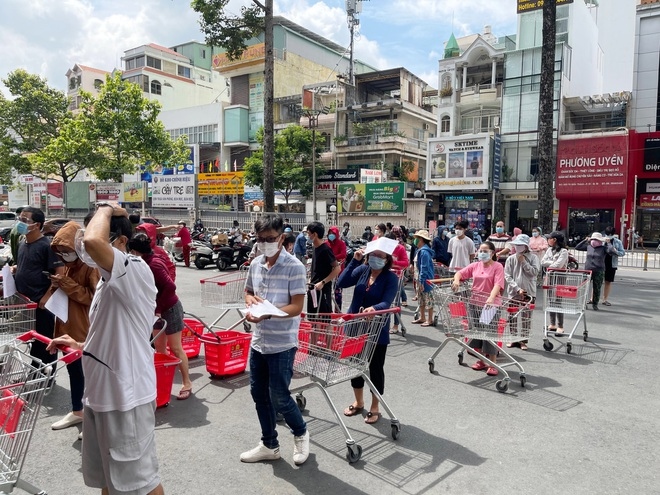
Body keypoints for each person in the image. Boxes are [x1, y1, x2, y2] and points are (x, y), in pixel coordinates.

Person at [47, 201, 164, 495]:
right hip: (100, 395)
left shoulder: (134, 269)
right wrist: (80, 343)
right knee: (108, 479)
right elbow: (114, 333)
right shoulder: (106, 280)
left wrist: (107, 208)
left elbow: (92, 242)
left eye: (96, 229)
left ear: (121, 241)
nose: (84, 245)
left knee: (141, 481)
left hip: (126, 398)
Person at [241, 215, 309, 465]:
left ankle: (301, 433)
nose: (265, 244)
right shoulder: (256, 263)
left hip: (282, 343)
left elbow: (297, 307)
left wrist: (269, 311)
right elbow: (248, 291)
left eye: (270, 239)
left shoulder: (294, 267)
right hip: (259, 341)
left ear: (282, 237)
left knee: (279, 396)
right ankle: (269, 443)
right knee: (258, 394)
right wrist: (250, 302)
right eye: (261, 239)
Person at [337, 239, 398, 424]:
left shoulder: (391, 278)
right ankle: (358, 401)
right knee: (355, 365)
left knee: (375, 368)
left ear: (387, 259)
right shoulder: (363, 270)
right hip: (355, 325)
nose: (376, 258)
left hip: (376, 329)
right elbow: (342, 281)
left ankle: (375, 406)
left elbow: (387, 302)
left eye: (380, 256)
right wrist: (354, 261)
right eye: (373, 255)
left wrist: (374, 308)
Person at [48, 221, 100, 433]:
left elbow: (95, 299)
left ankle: (91, 419)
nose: (63, 255)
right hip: (66, 325)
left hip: (83, 329)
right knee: (73, 372)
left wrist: (68, 286)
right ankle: (78, 411)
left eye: (67, 250)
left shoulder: (91, 266)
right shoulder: (69, 266)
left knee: (86, 374)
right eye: (60, 251)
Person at [129, 232, 193, 401]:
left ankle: (187, 382)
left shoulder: (154, 264)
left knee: (176, 348)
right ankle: (162, 382)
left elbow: (170, 287)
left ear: (136, 251)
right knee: (159, 348)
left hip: (169, 308)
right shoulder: (142, 262)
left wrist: (158, 309)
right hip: (156, 311)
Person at [13, 206, 64, 371]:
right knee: (33, 341)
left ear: (37, 224)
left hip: (42, 302)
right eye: (19, 219)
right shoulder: (23, 242)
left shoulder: (46, 246)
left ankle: (46, 377)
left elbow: (60, 272)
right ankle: (34, 374)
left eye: (25, 220)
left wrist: (47, 296)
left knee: (45, 341)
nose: (20, 223)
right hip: (26, 302)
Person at [451, 241, 505, 376]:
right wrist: (456, 281)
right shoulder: (475, 266)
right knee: (476, 331)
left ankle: (492, 362)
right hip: (475, 302)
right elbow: (460, 274)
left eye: (485, 251)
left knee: (488, 332)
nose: (482, 253)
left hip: (490, 305)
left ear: (492, 253)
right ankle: (481, 360)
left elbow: (498, 284)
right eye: (480, 250)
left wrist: (492, 297)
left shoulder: (497, 266)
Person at [503, 234, 539, 350]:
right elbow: (507, 276)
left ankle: (523, 340)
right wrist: (516, 288)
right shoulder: (510, 258)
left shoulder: (533, 258)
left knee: (526, 317)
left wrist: (524, 262)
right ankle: (513, 338)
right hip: (514, 292)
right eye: (516, 245)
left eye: (520, 245)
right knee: (512, 315)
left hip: (529, 292)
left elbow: (534, 272)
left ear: (526, 246)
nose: (518, 247)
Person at [306, 221, 340, 314]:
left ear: (315, 234)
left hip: (323, 290)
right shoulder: (315, 248)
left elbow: (337, 268)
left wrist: (323, 282)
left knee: (324, 320)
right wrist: (310, 279)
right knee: (313, 317)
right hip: (313, 289)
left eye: (308, 234)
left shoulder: (325, 249)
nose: (307, 236)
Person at [575, 232, 612, 311]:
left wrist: (608, 243)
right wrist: (585, 240)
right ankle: (584, 303)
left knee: (597, 288)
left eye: (596, 239)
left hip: (599, 270)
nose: (594, 241)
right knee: (585, 287)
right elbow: (577, 247)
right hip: (588, 270)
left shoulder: (603, 248)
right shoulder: (589, 247)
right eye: (593, 239)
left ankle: (595, 304)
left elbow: (611, 251)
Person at [541, 231, 569, 334]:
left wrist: (551, 264)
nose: (548, 240)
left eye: (550, 238)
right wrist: (553, 263)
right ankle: (552, 323)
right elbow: (543, 262)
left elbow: (559, 265)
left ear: (555, 240)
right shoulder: (549, 250)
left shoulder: (564, 251)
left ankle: (560, 325)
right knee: (550, 300)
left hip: (560, 278)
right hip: (550, 277)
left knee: (558, 300)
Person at [387, 228, 411, 334]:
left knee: (396, 302)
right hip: (384, 275)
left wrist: (393, 264)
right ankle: (384, 324)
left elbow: (405, 263)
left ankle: (396, 324)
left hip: (396, 276)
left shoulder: (400, 249)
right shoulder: (383, 249)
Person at [411, 229, 435, 327]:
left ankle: (430, 319)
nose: (415, 241)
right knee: (421, 298)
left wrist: (421, 280)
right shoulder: (420, 251)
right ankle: (422, 317)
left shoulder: (424, 252)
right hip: (419, 278)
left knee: (428, 298)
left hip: (425, 279)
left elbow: (424, 267)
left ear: (421, 239)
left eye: (417, 239)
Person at [601, 226, 626, 306]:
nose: (609, 236)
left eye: (611, 234)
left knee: (608, 282)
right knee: (597, 281)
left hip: (612, 264)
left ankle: (605, 299)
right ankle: (593, 298)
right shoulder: (601, 241)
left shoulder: (617, 242)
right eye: (608, 234)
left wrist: (616, 251)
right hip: (600, 263)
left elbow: (622, 253)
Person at [325, 226, 346, 311]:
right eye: (330, 233)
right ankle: (328, 313)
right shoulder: (326, 243)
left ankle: (337, 313)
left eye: (333, 233)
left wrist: (332, 258)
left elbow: (343, 255)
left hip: (338, 273)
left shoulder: (341, 243)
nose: (331, 235)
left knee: (338, 294)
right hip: (327, 272)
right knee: (327, 294)